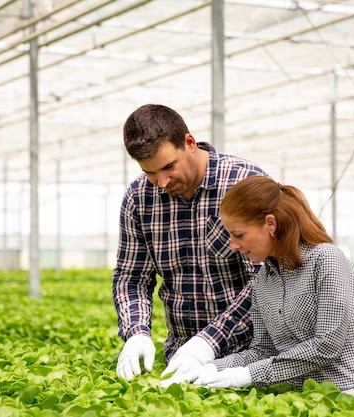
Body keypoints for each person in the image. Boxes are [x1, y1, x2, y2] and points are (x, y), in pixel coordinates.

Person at [113, 104, 268, 382]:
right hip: (179, 359)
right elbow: (131, 278)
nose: (162, 181)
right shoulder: (139, 198)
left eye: (168, 166)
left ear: (189, 143)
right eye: (150, 173)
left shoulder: (243, 182)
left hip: (252, 357)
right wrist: (136, 331)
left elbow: (268, 279)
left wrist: (208, 342)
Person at [180, 176, 354, 397]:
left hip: (347, 394)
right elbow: (263, 350)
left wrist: (246, 375)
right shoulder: (263, 279)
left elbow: (327, 345)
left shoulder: (327, 259)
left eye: (239, 235)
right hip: (296, 397)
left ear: (270, 224)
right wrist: (211, 368)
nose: (233, 246)